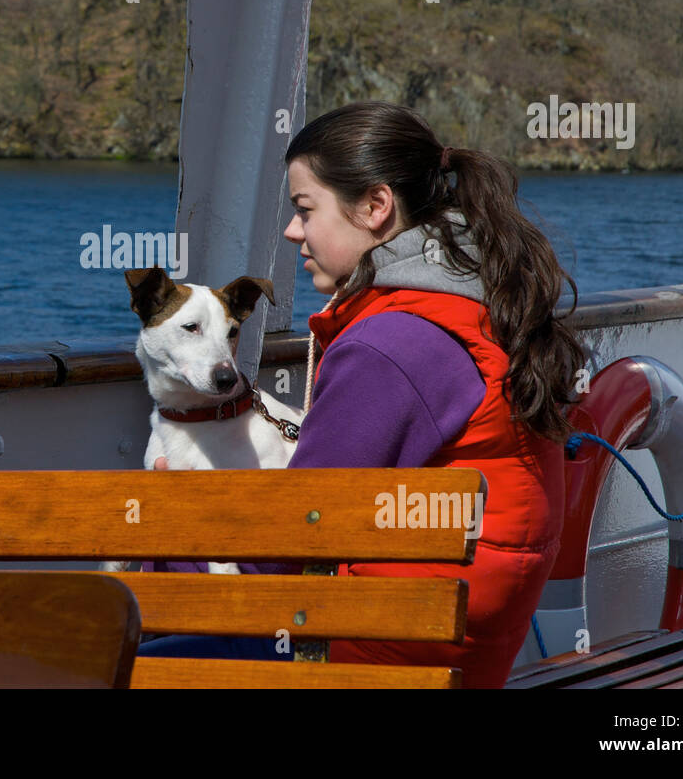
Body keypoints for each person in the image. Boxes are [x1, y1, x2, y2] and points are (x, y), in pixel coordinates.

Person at [137, 100, 587, 687]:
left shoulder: (389, 346)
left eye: (304, 209)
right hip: (441, 655)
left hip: (366, 662)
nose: (292, 231)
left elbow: (292, 537)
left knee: (88, 660)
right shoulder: (476, 309)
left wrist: (175, 522)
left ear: (375, 207)